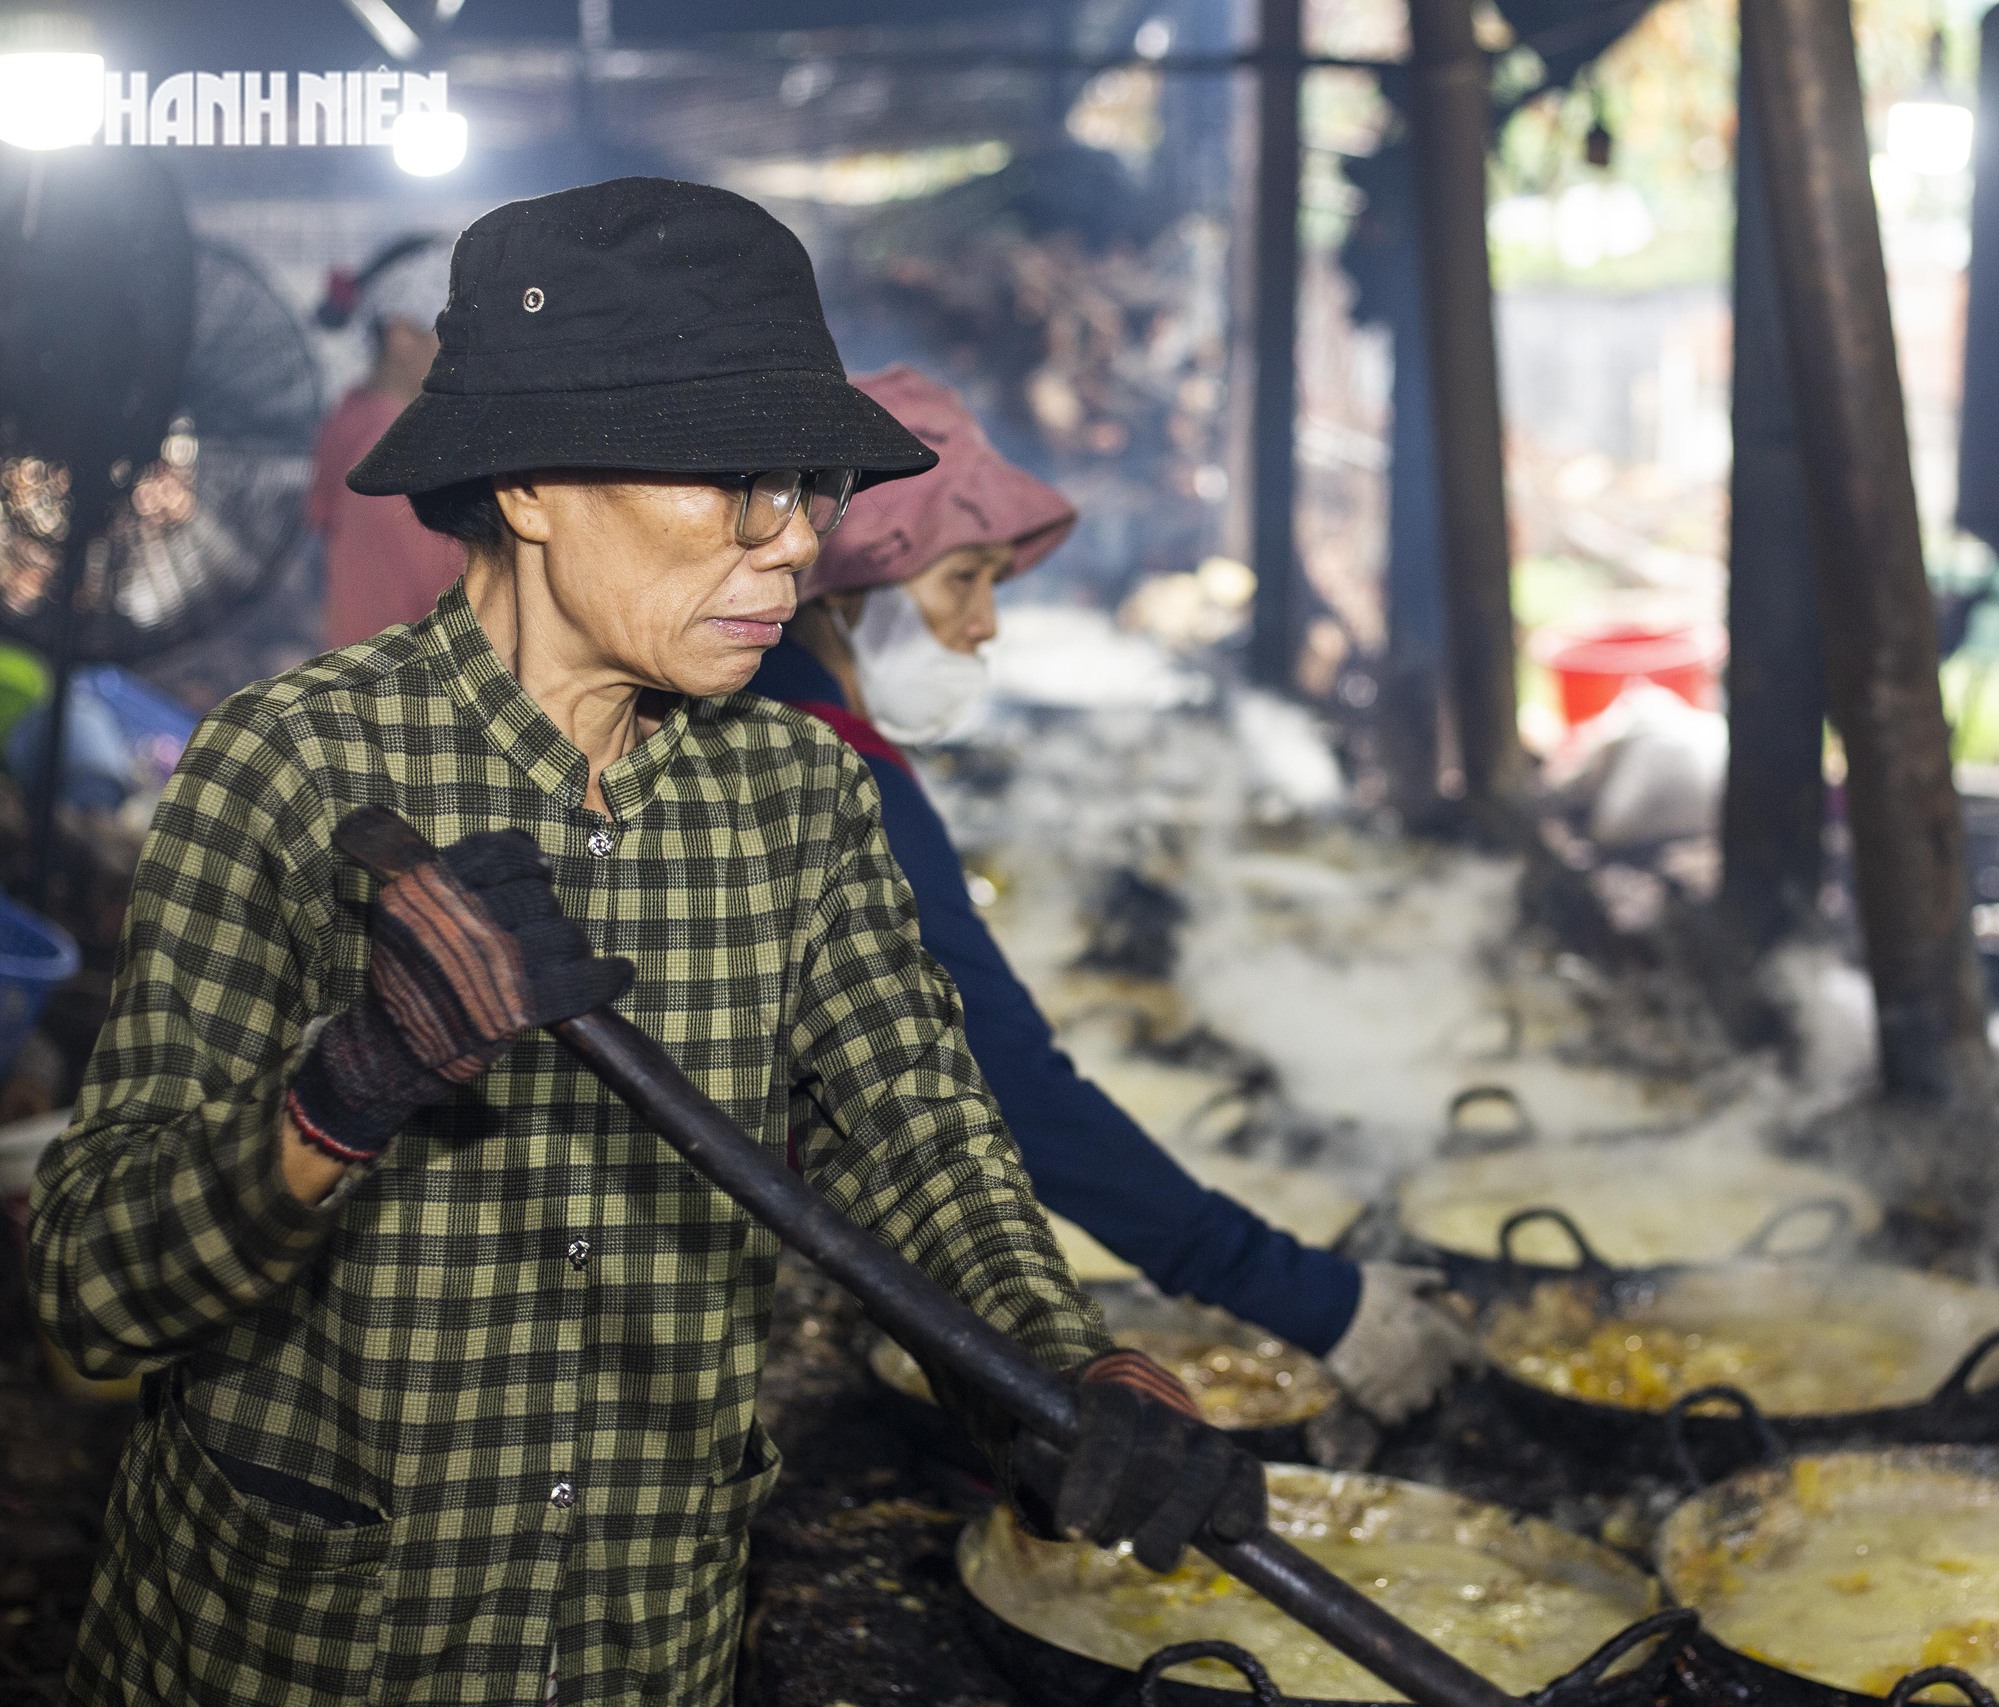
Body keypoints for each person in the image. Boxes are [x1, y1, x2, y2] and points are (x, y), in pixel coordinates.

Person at [28, 178, 1260, 1706]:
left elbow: (925, 1143)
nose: (794, 544)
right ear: (530, 484)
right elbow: (93, 1284)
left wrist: (1071, 1373)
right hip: (309, 1640)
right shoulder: (290, 769)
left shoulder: (801, 792)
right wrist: (341, 1092)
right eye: (736, 480)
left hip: (637, 1641)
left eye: (809, 489)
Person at [748, 367, 1473, 1423]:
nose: (985, 626)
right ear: (849, 591)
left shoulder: (770, 718)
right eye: (963, 582)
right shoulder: (819, 771)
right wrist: (1307, 1296)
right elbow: (998, 1085)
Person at [307, 238, 469, 649]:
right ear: (401, 334)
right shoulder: (396, 448)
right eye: (449, 334)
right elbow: (429, 597)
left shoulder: (350, 418)